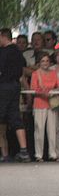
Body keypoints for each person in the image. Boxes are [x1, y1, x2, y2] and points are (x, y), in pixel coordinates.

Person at [0, 28, 31, 161]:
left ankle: (5, 154)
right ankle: (24, 151)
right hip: (15, 87)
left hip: (3, 86)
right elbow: (22, 70)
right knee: (15, 117)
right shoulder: (18, 52)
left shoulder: (3, 52)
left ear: (2, 36)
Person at [31, 52, 59, 161]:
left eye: (47, 61)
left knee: (52, 129)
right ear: (39, 62)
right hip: (39, 104)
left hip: (52, 104)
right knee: (39, 129)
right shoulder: (35, 74)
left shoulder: (54, 73)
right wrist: (46, 94)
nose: (45, 63)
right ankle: (39, 155)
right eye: (43, 61)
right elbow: (34, 89)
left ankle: (53, 154)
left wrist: (53, 92)